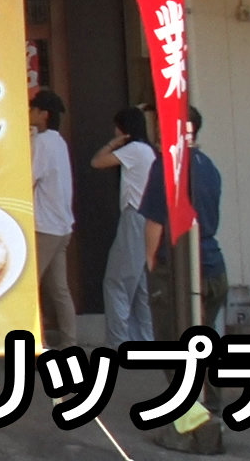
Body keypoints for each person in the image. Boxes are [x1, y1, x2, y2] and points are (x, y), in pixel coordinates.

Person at [141, 106, 228, 341]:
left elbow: (155, 221)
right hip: (213, 265)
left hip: (177, 266)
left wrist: (150, 261)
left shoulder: (166, 166)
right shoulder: (208, 165)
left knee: (172, 341)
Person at [93, 106, 157, 346]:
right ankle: (144, 342)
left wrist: (113, 144)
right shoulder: (149, 150)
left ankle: (118, 343)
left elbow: (97, 161)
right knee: (140, 286)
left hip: (134, 217)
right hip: (148, 218)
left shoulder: (134, 150)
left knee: (116, 282)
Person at [30, 90, 77, 348]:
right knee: (60, 290)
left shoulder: (43, 142)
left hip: (45, 227)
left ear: (44, 115)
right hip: (63, 225)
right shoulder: (59, 142)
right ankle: (70, 343)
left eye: (33, 109)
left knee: (28, 286)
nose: (29, 113)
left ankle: (38, 343)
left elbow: (30, 176)